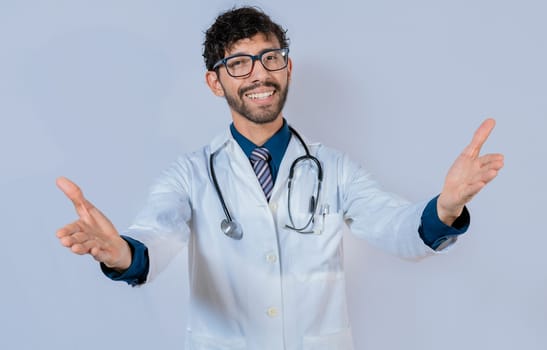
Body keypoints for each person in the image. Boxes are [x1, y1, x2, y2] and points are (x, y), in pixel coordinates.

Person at [55, 6, 504, 350]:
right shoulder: (191, 173)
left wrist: (445, 208)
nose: (259, 74)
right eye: (239, 64)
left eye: (270, 58)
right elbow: (154, 234)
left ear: (288, 67)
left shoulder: (335, 168)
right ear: (216, 83)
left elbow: (397, 228)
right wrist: (120, 253)